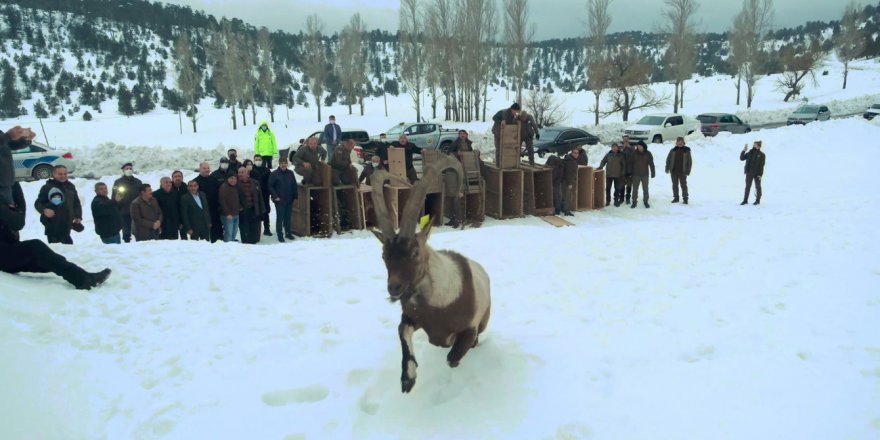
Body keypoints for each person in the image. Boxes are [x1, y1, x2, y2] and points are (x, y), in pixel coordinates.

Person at [0, 182, 110, 290]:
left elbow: (17, 222)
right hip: (3, 256)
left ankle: (80, 275)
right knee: (35, 246)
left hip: (9, 248)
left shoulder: (8, 185)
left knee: (51, 262)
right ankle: (83, 280)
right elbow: (18, 222)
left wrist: (13, 186)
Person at [34, 165, 82, 244]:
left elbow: (76, 203)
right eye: (60, 174)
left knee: (68, 248)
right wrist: (44, 210)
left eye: (65, 174)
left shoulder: (70, 186)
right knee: (58, 249)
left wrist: (78, 216)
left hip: (67, 224)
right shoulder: (47, 187)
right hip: (53, 225)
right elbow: (38, 203)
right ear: (54, 174)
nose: (63, 176)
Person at [1, 126, 36, 207]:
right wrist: (8, 136)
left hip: (6, 183)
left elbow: (11, 145)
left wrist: (25, 140)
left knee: (10, 216)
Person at [111, 162, 142, 243]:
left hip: (137, 211)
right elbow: (114, 197)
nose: (129, 170)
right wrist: (116, 207)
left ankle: (140, 245)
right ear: (123, 171)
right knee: (126, 232)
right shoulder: (117, 182)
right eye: (127, 169)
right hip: (124, 211)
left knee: (139, 230)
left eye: (130, 168)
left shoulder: (138, 182)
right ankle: (126, 244)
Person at [269, 158, 298, 242]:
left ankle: (288, 233)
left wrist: (295, 196)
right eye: (281, 163)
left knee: (288, 217)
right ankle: (280, 235)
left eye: (285, 163)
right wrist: (275, 196)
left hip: (289, 199)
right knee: (280, 218)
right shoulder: (274, 174)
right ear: (279, 164)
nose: (283, 165)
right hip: (279, 200)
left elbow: (294, 184)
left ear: (287, 164)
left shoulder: (290, 173)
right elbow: (270, 186)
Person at [193, 161, 222, 242]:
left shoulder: (214, 180)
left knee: (216, 231)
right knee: (204, 233)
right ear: (200, 169)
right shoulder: (195, 182)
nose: (207, 170)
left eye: (208, 168)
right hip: (202, 211)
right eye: (204, 168)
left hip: (215, 209)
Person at [237, 166, 264, 244]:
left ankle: (254, 242)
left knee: (255, 228)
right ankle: (245, 244)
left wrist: (262, 210)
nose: (240, 174)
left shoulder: (255, 182)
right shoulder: (236, 184)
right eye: (239, 172)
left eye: (242, 172)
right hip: (243, 211)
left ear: (247, 174)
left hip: (253, 209)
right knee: (244, 229)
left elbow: (260, 197)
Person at [665, 136, 693, 204]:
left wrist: (688, 171)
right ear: (676, 143)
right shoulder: (673, 150)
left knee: (683, 185)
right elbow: (668, 160)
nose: (680, 143)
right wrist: (667, 168)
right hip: (673, 171)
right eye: (678, 142)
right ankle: (676, 197)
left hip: (682, 172)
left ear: (684, 143)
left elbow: (689, 162)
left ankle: (685, 198)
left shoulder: (687, 151)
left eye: (681, 142)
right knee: (674, 185)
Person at [250, 154, 273, 235]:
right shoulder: (251, 170)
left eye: (259, 159)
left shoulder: (267, 170)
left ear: (262, 161)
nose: (258, 161)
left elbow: (270, 182)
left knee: (266, 211)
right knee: (255, 211)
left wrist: (271, 192)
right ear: (254, 160)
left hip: (265, 193)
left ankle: (267, 229)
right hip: (254, 194)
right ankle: (256, 230)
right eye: (256, 159)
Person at [629, 142, 655, 209]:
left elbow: (651, 164)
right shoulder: (634, 153)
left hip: (645, 175)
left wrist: (653, 172)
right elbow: (630, 164)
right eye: (638, 146)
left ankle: (646, 201)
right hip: (635, 174)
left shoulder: (648, 153)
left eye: (640, 146)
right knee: (635, 189)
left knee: (645, 189)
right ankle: (634, 201)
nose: (639, 147)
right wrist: (630, 172)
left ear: (643, 146)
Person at [740, 141, 766, 205]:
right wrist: (744, 150)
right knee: (747, 187)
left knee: (758, 187)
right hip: (749, 172)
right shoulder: (750, 152)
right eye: (754, 144)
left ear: (759, 146)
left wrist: (760, 175)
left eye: (755, 144)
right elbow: (742, 158)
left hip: (757, 173)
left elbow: (762, 166)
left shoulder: (762, 155)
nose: (754, 145)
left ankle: (758, 200)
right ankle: (745, 200)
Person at [218, 174, 241, 242]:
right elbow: (222, 201)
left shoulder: (235, 187)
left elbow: (237, 199)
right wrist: (227, 213)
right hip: (227, 215)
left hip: (236, 214)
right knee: (228, 233)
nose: (233, 180)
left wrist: (240, 207)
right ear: (227, 179)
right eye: (231, 178)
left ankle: (232, 245)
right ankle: (227, 248)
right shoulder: (224, 187)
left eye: (235, 178)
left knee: (234, 231)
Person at [561, 149, 580, 216]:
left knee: (565, 195)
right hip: (567, 181)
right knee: (568, 197)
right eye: (574, 153)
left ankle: (563, 209)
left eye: (577, 153)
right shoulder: (570, 161)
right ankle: (567, 211)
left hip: (564, 180)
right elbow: (569, 173)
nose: (576, 154)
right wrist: (570, 183)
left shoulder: (570, 159)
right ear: (572, 153)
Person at [171, 170, 188, 239]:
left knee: (184, 237)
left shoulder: (186, 187)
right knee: (172, 238)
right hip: (172, 216)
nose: (177, 178)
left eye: (179, 176)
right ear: (172, 178)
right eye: (175, 176)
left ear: (182, 178)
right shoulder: (169, 187)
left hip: (183, 215)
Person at [621, 135, 634, 204]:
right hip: (622, 171)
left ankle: (628, 198)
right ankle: (622, 198)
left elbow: (634, 156)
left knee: (629, 185)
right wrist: (623, 149)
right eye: (624, 139)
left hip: (629, 170)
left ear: (629, 140)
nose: (625, 140)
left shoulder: (632, 148)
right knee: (622, 185)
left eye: (627, 139)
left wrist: (629, 147)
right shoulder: (620, 148)